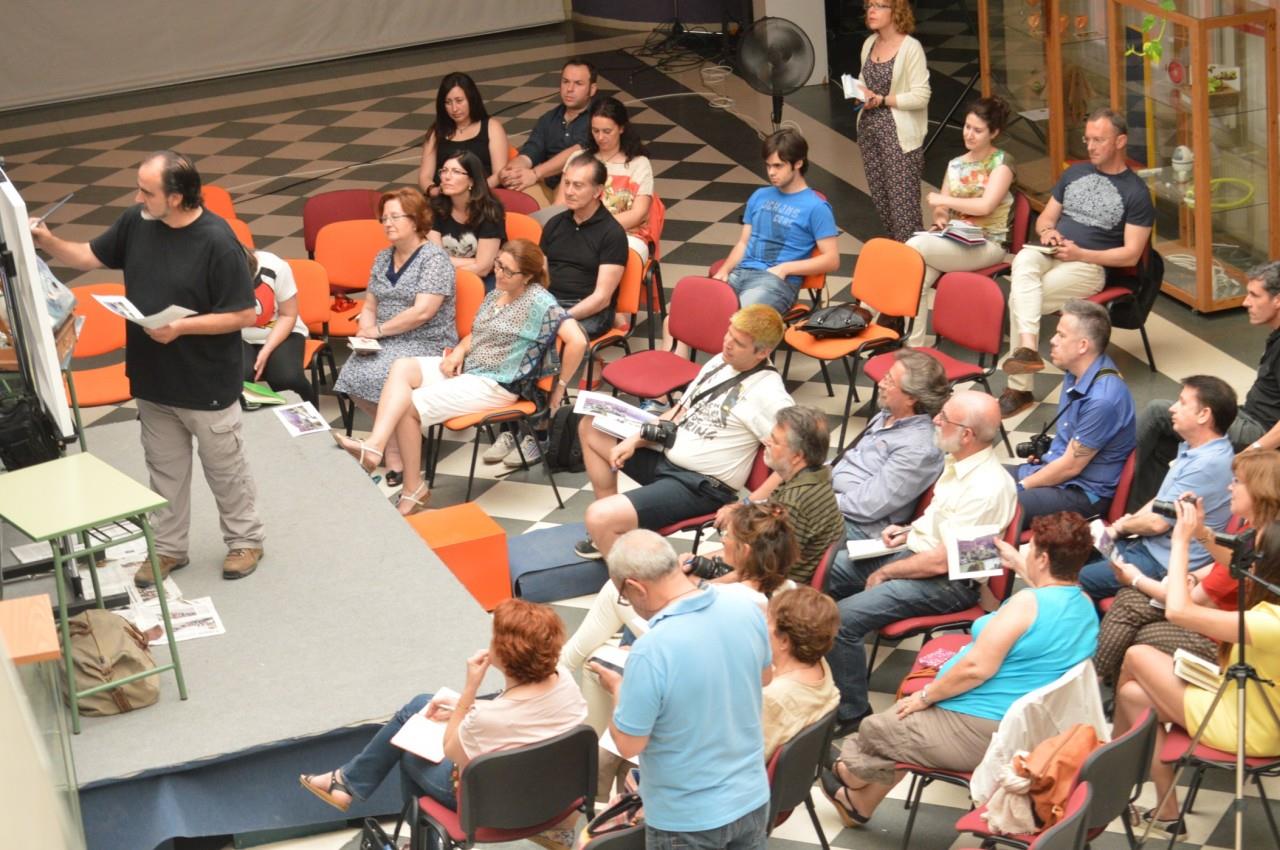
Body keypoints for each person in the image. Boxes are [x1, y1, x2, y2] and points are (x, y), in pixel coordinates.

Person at [29, 150, 266, 585]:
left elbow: (243, 315)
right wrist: (46, 240)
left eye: (146, 190)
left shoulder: (218, 240)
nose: (137, 197)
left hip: (206, 381)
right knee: (164, 471)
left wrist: (181, 327)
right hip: (154, 378)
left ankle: (245, 540)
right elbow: (89, 257)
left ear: (176, 197)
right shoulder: (136, 222)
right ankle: (168, 548)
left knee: (225, 470)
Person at [820, 511, 1099, 826]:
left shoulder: (1025, 606)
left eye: (1030, 549)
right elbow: (1053, 587)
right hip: (1028, 723)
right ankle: (858, 804)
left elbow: (975, 669)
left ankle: (850, 774)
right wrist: (1017, 561)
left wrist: (925, 696)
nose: (1025, 553)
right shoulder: (1083, 602)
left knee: (877, 728)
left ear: (1044, 559)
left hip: (984, 728)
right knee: (900, 730)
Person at [298, 599, 587, 848]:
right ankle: (346, 782)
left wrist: (469, 692)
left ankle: (419, 842)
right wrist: (467, 708)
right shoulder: (565, 681)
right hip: (555, 798)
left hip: (493, 809)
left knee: (409, 746)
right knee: (421, 704)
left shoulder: (485, 720)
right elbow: (521, 716)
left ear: (504, 655)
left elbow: (452, 750)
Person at [333, 240, 586, 514]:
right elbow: (476, 334)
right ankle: (375, 446)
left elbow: (577, 341)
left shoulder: (539, 301)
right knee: (402, 366)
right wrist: (457, 353)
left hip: (496, 383)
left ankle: (412, 486)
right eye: (498, 265)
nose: (498, 273)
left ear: (527, 276)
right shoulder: (495, 295)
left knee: (409, 405)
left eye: (507, 271)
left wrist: (560, 386)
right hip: (468, 370)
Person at [825, 390, 1017, 731]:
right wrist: (907, 529)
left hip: (950, 583)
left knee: (842, 620)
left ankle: (852, 711)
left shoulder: (989, 488)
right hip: (914, 553)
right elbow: (939, 520)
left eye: (945, 417)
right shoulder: (956, 460)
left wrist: (887, 571)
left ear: (967, 434)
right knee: (818, 572)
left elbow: (948, 561)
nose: (935, 420)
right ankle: (817, 674)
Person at [589, 530, 772, 849]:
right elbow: (764, 677)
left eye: (625, 596)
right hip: (751, 797)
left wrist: (618, 689)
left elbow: (630, 745)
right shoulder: (746, 608)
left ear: (634, 587)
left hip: (686, 818)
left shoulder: (651, 650)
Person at [1111, 500, 1280, 840]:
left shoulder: (1268, 622)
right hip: (1249, 706)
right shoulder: (1271, 610)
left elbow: (1177, 611)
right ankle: (1166, 811)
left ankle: (1111, 772)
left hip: (1250, 728)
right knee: (1132, 695)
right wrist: (1202, 532)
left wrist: (1181, 541)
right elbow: (1233, 566)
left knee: (1138, 655)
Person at [576, 305, 793, 559]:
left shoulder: (770, 394)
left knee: (598, 517)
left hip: (698, 486)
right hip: (665, 454)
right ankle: (614, 533)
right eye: (728, 334)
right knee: (591, 426)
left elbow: (794, 459)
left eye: (738, 342)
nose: (727, 343)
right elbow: (676, 412)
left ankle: (625, 572)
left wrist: (747, 505)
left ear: (762, 352)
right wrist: (633, 441)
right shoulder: (721, 361)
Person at [999, 108, 1155, 417]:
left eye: (1099, 140)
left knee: (1021, 296)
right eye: (1088, 139)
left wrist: (1080, 254)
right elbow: (1045, 217)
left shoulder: (1136, 192)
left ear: (1120, 141)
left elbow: (1131, 254)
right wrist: (1048, 232)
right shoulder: (1074, 173)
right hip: (1051, 253)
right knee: (1026, 257)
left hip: (1089, 266)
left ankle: (1019, 388)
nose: (1091, 146)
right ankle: (1028, 348)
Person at [1095, 451, 1280, 686]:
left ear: (1258, 489)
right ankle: (1106, 683)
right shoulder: (1256, 531)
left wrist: (1139, 576)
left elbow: (1184, 606)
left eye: (1237, 481)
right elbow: (1227, 560)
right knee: (1129, 600)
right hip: (1213, 618)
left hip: (1221, 641)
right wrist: (1199, 535)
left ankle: (1102, 684)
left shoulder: (1265, 547)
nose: (1229, 488)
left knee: (1143, 631)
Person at [1129, 261, 1280, 509]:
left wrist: (1254, 449)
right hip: (1248, 416)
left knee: (1159, 412)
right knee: (1164, 444)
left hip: (1258, 428)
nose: (1245, 302)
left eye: (1254, 295)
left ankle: (1109, 481)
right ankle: (1142, 514)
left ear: (1277, 300)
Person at [333, 187, 457, 486]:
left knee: (380, 372)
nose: (387, 223)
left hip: (426, 340)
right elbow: (372, 302)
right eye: (384, 218)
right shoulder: (382, 257)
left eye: (394, 217)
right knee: (352, 373)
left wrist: (377, 331)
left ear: (415, 221)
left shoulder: (434, 259)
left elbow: (422, 312)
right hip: (387, 337)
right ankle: (398, 441)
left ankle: (394, 454)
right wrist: (366, 328)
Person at [1076, 375, 1236, 600]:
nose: (1172, 408)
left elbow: (1157, 523)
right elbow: (1161, 502)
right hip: (1149, 547)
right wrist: (1122, 526)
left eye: (1182, 402)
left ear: (1204, 415)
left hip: (1162, 563)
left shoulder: (1207, 464)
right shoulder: (1197, 449)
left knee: (1073, 580)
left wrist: (1121, 527)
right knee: (1071, 560)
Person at [1010, 299, 1135, 529]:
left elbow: (1070, 467)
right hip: (1057, 474)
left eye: (1061, 335)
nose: (1052, 340)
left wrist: (1023, 484)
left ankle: (974, 562)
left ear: (1082, 346)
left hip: (1083, 493)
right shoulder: (1075, 372)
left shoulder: (1103, 400)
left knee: (1000, 504)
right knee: (978, 481)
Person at [904, 96, 1015, 346]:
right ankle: (915, 345)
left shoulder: (1002, 163)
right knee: (919, 278)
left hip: (988, 243)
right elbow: (941, 208)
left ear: (994, 133)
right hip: (956, 238)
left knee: (914, 248)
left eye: (978, 130)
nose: (970, 134)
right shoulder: (955, 164)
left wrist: (944, 202)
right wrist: (941, 218)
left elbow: (986, 205)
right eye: (967, 127)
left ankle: (879, 311)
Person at [713, 129, 839, 317]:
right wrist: (724, 271)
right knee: (682, 317)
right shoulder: (759, 195)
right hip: (741, 274)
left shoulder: (816, 207)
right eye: (768, 166)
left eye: (778, 166)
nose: (771, 172)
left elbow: (832, 260)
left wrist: (785, 268)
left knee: (733, 320)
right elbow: (744, 243)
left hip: (776, 282)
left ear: (798, 163)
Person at [830, 350, 948, 545]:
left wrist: (818, 501)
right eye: (886, 376)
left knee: (775, 533)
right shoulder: (887, 415)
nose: (880, 384)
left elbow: (868, 506)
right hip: (838, 502)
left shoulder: (918, 448)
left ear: (911, 398)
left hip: (858, 526)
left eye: (890, 381)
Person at [728, 405, 845, 585]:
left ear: (797, 456)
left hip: (776, 592)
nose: (766, 441)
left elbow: (764, 572)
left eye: (774, 441)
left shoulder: (793, 504)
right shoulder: (816, 478)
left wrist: (706, 583)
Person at [856, 0, 931, 243]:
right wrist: (860, 93)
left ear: (895, 11)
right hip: (869, 132)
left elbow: (921, 95)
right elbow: (862, 80)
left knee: (904, 207)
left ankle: (916, 262)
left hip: (898, 136)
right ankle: (900, 258)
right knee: (883, 201)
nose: (872, 11)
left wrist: (883, 100)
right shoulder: (869, 43)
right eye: (869, 5)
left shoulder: (911, 48)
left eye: (879, 5)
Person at [552, 96, 654, 262]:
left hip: (624, 234)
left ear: (621, 128)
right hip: (577, 230)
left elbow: (638, 214)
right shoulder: (578, 158)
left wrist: (595, 228)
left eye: (607, 131)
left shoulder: (639, 164)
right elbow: (560, 205)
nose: (600, 137)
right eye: (595, 131)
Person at [539, 156, 628, 339]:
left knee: (550, 334)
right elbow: (539, 276)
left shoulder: (612, 233)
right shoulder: (554, 224)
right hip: (550, 303)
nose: (569, 192)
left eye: (578, 186)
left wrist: (561, 318)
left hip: (589, 309)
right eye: (567, 183)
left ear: (597, 191)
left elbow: (601, 299)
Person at [763, 586, 841, 762]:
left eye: (768, 620)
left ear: (784, 640)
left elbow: (747, 759)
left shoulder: (774, 698)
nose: (764, 624)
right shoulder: (820, 663)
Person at [499, 58, 597, 197]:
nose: (569, 89)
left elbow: (576, 154)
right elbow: (530, 152)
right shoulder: (548, 119)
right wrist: (513, 170)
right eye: (565, 82)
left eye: (578, 84)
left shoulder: (599, 119)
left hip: (581, 188)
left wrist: (535, 173)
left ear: (592, 89)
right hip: (547, 185)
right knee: (516, 193)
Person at [427, 151, 507, 291]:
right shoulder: (434, 208)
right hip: (441, 277)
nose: (447, 177)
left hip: (485, 280)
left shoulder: (490, 212)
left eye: (456, 172)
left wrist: (445, 265)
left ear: (472, 180)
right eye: (444, 171)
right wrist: (475, 262)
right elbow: (434, 259)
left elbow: (483, 269)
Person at [418, 71, 510, 192]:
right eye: (448, 102)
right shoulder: (437, 131)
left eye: (459, 101)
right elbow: (424, 177)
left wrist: (471, 191)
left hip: (483, 196)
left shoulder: (492, 127)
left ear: (471, 99)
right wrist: (434, 191)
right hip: (445, 196)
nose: (454, 109)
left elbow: (499, 175)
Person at [240, 246, 312, 401]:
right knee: (239, 378)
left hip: (282, 330)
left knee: (288, 379)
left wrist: (266, 350)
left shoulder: (275, 266)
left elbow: (288, 315)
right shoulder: (210, 271)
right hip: (235, 335)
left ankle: (310, 422)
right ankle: (248, 425)